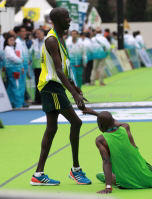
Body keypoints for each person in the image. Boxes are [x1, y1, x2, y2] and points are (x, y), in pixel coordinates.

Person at [30, 7, 91, 186]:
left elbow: (63, 67)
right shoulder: (51, 40)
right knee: (76, 122)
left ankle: (38, 174)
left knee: (51, 129)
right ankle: (76, 170)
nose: (70, 20)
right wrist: (73, 94)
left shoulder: (59, 38)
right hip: (51, 88)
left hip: (53, 86)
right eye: (67, 17)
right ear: (57, 20)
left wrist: (73, 85)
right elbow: (57, 70)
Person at [82, 108, 152, 194]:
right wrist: (96, 114)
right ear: (113, 121)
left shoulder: (100, 140)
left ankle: (108, 180)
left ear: (100, 126)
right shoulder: (125, 128)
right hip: (148, 181)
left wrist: (108, 187)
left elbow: (106, 162)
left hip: (125, 184)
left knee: (116, 177)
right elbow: (115, 122)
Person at [4, 35, 24, 108]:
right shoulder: (7, 48)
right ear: (7, 41)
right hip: (12, 70)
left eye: (13, 40)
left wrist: (20, 61)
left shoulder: (13, 48)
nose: (12, 41)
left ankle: (10, 103)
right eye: (10, 40)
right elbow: (14, 58)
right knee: (15, 87)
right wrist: (21, 60)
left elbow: (19, 57)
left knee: (11, 87)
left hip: (15, 70)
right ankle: (18, 104)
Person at [15, 25, 29, 107]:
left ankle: (22, 101)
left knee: (23, 84)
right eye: (22, 31)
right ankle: (20, 102)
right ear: (18, 32)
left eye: (25, 31)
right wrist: (22, 67)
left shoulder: (23, 41)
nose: (24, 33)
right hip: (21, 66)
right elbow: (18, 55)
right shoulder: (18, 42)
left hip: (25, 65)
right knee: (20, 84)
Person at [30, 29, 45, 104]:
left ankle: (45, 99)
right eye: (36, 34)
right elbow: (31, 52)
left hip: (44, 66)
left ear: (42, 33)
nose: (37, 35)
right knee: (37, 83)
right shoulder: (34, 42)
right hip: (36, 66)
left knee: (45, 83)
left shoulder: (46, 41)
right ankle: (38, 99)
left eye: (39, 33)